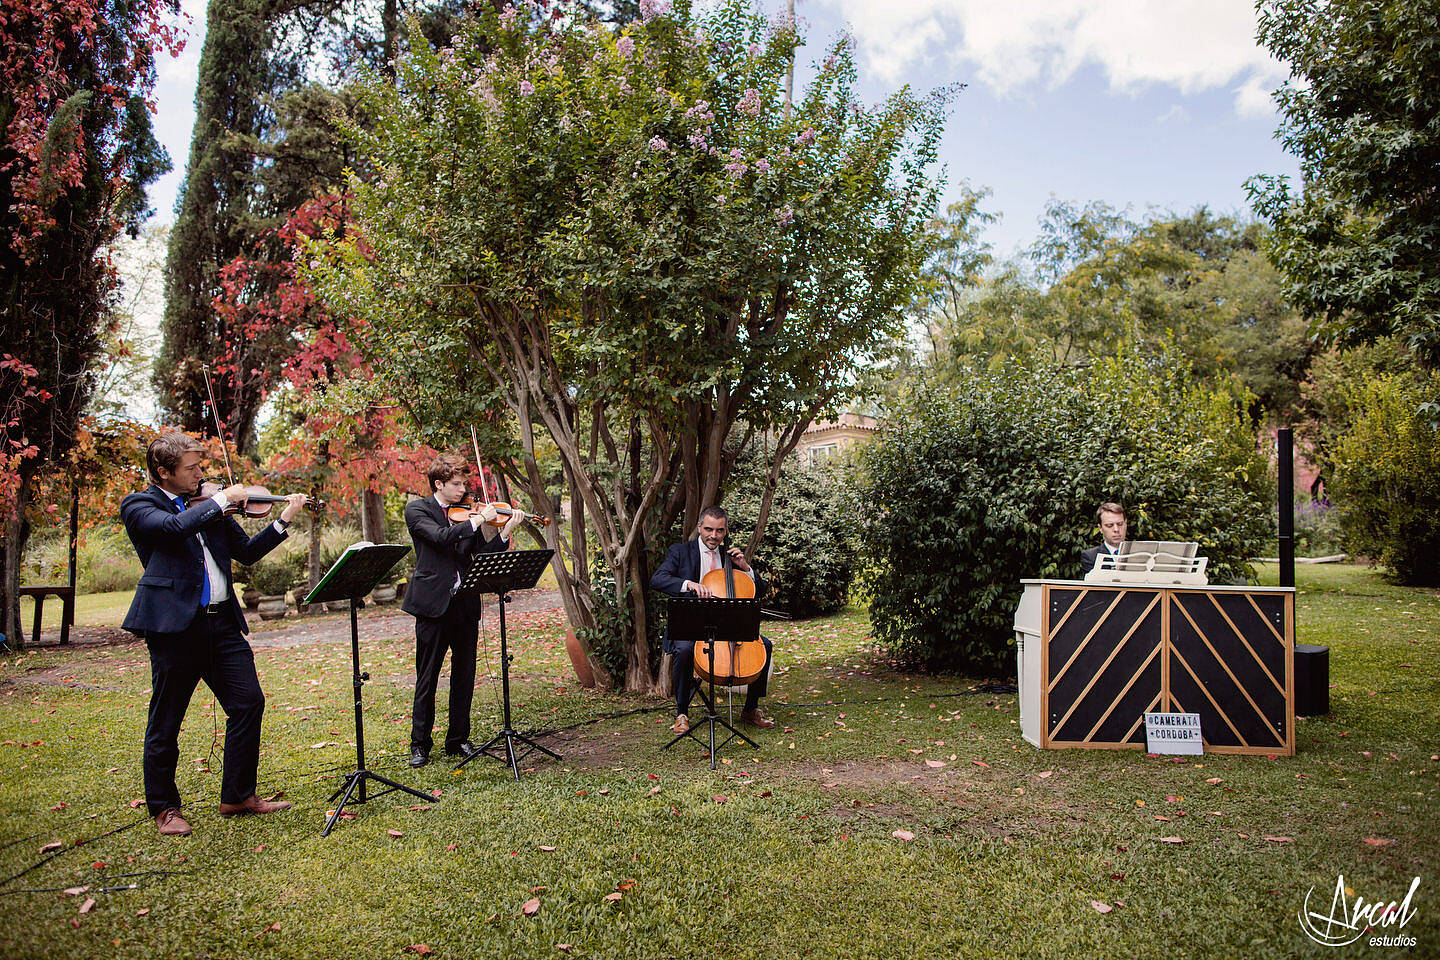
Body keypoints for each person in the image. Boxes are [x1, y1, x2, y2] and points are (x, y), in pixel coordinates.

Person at [120, 432, 307, 836]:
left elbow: (247, 552)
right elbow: (172, 529)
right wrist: (220, 501)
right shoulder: (140, 505)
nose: (201, 475)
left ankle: (237, 795)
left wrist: (283, 519)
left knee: (248, 702)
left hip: (221, 624)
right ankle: (165, 807)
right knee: (166, 720)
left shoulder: (211, 509)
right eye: (192, 469)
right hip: (175, 629)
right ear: (163, 472)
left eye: (201, 467)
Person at [402, 454, 522, 768]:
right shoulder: (418, 510)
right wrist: (479, 519)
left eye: (463, 484)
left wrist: (504, 532)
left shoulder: (467, 513)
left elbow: (480, 555)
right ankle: (420, 745)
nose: (462, 490)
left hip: (465, 602)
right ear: (438, 484)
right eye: (456, 484)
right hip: (433, 604)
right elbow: (441, 538)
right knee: (427, 676)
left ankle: (458, 739)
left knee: (465, 674)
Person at [650, 506, 774, 733]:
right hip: (692, 624)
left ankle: (750, 709)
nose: (713, 536)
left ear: (725, 531)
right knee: (685, 649)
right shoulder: (681, 552)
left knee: (764, 645)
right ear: (699, 527)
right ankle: (681, 713)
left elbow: (760, 591)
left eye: (719, 531)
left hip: (726, 624)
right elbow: (658, 579)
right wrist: (688, 585)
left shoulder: (730, 557)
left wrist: (746, 569)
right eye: (708, 529)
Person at [1081, 501, 1129, 571]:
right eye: (1109, 525)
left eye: (1120, 524)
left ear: (1126, 524)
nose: (1116, 529)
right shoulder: (1091, 557)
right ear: (1100, 528)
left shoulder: (1141, 554)